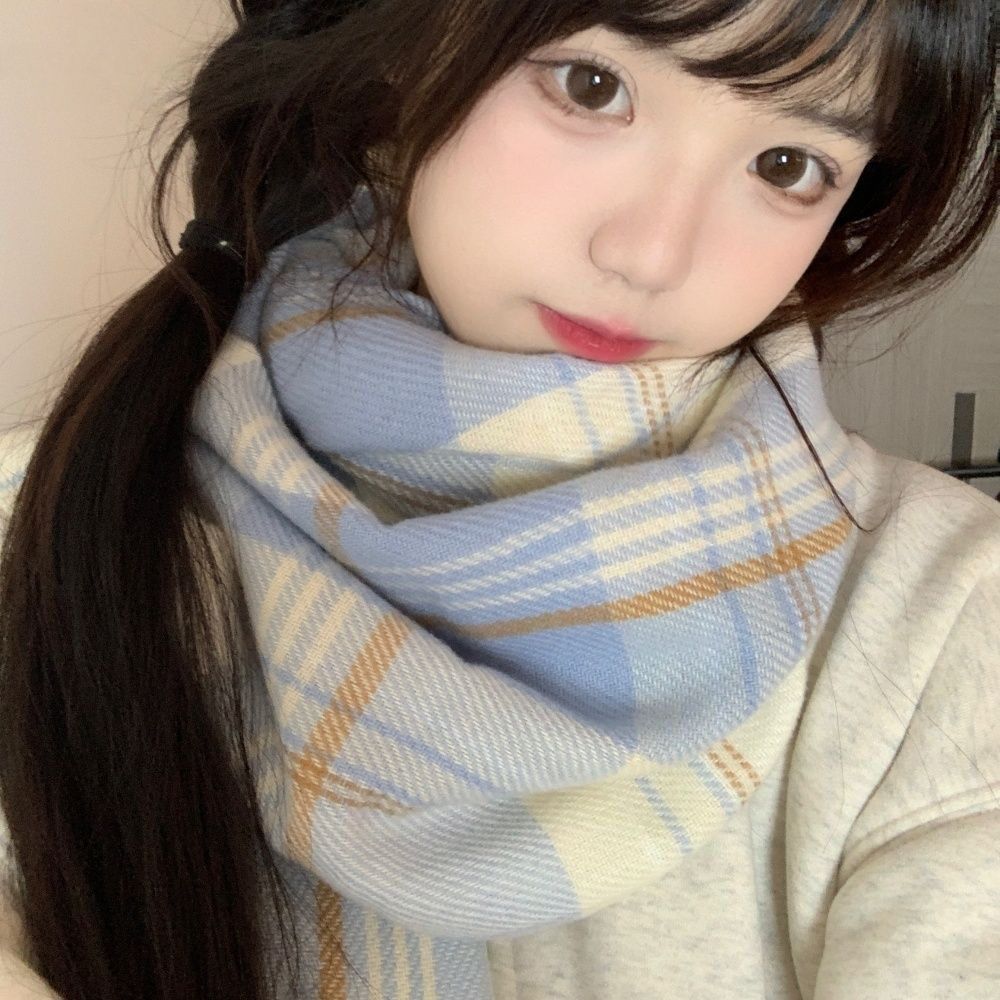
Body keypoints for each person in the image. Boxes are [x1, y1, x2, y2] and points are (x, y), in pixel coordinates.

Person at [0, 1, 997, 998]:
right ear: (413, 42)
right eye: (592, 88)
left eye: (786, 165)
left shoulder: (948, 611)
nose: (650, 255)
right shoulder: (50, 525)